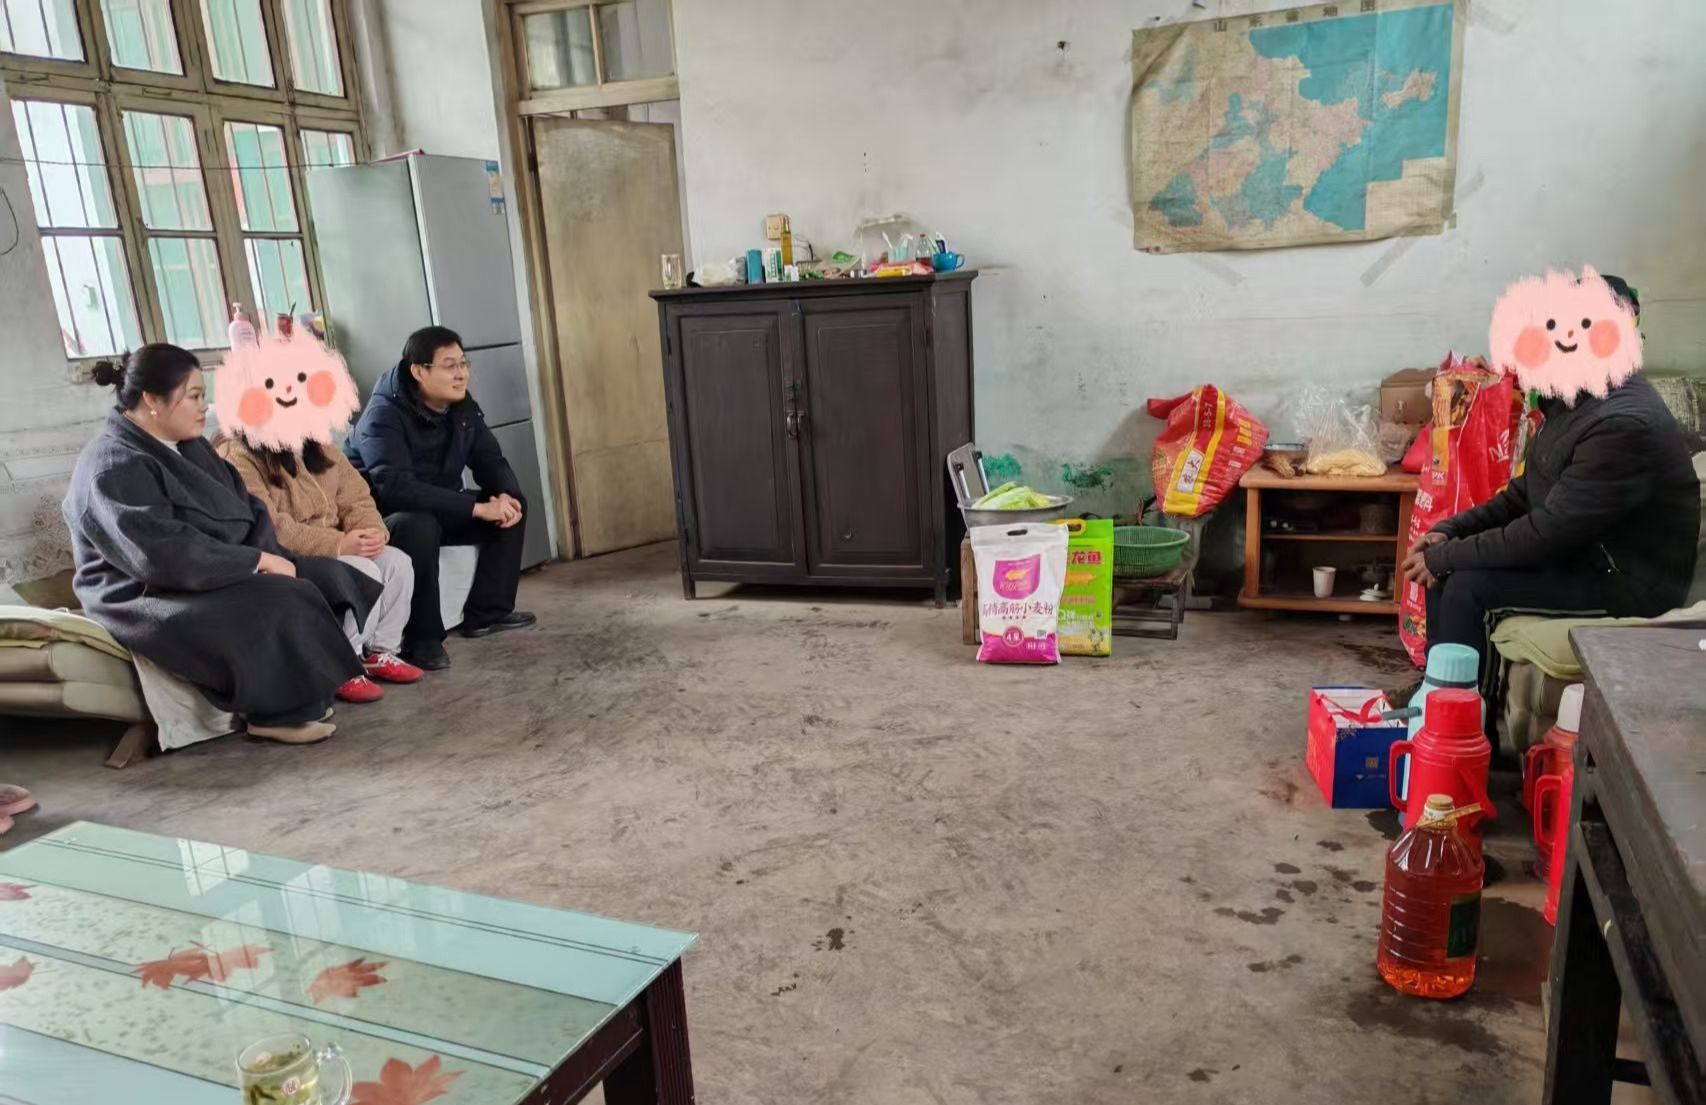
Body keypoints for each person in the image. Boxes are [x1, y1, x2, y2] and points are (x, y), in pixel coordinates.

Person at [64, 344, 382, 745]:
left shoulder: (192, 446)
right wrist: (254, 562)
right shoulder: (113, 464)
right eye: (194, 396)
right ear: (152, 400)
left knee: (332, 576)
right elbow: (158, 553)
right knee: (278, 598)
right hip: (145, 591)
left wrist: (266, 556)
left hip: (214, 568)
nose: (204, 407)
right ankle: (274, 716)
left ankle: (311, 692)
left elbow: (249, 508)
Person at [1403, 271, 1700, 678]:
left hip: (1628, 583)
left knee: (1467, 589)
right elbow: (1522, 495)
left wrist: (1446, 557)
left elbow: (1548, 533)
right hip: (1585, 556)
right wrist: (1449, 531)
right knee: (1447, 571)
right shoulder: (1571, 402)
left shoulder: (1621, 424)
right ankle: (1439, 695)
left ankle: (1468, 712)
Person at [213, 328, 424, 703]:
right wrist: (340, 544)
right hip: (286, 553)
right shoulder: (238, 454)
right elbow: (269, 524)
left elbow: (356, 497)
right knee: (361, 570)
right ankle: (343, 663)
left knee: (397, 563)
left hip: (340, 543)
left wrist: (370, 532)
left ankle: (379, 652)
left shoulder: (317, 444)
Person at [343, 326, 535, 671]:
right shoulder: (382, 416)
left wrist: (506, 495)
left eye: (464, 363)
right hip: (387, 517)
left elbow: (490, 459)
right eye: (450, 366)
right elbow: (397, 489)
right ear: (419, 371)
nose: (461, 373)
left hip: (438, 504)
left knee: (512, 504)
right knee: (419, 526)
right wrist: (476, 508)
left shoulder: (461, 406)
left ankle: (487, 613)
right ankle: (422, 640)